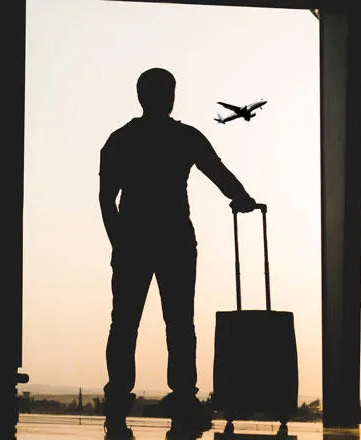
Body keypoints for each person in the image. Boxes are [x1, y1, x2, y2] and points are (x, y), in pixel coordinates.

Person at [98, 67, 257, 439]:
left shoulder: (121, 140)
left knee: (124, 324)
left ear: (141, 97)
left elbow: (107, 198)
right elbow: (217, 171)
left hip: (133, 240)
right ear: (170, 97)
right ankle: (183, 394)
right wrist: (243, 198)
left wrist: (118, 241)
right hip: (175, 241)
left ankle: (118, 394)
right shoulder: (184, 137)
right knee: (180, 323)